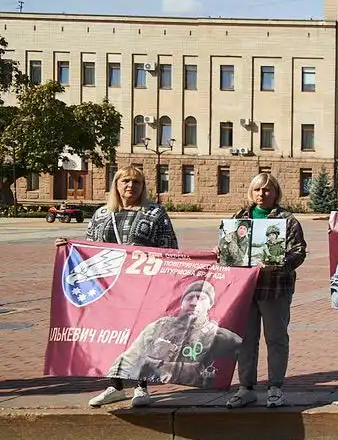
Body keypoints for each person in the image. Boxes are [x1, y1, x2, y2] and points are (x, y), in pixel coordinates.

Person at [67, 165, 180, 409]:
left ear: (143, 187)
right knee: (112, 336)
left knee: (142, 336)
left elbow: (170, 249)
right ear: (116, 185)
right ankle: (114, 386)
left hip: (143, 287)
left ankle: (141, 386)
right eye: (125, 181)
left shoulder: (155, 214)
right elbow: (89, 249)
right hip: (109, 290)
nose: (130, 186)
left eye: (136, 182)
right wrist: (67, 247)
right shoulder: (101, 215)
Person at [226, 174, 307, 409]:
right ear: (251, 192)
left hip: (275, 289)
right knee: (245, 340)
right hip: (245, 290)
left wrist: (282, 262)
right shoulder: (240, 218)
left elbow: (299, 251)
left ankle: (275, 387)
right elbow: (229, 248)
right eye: (258, 189)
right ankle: (246, 388)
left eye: (268, 190)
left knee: (276, 338)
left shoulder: (287, 220)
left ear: (276, 193)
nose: (262, 194)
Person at [107, 281, 242, 388]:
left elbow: (246, 350)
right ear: (182, 303)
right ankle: (125, 389)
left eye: (200, 298)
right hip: (154, 384)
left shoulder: (217, 334)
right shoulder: (160, 326)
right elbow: (131, 356)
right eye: (189, 298)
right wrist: (115, 377)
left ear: (210, 305)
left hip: (195, 391)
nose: (194, 303)